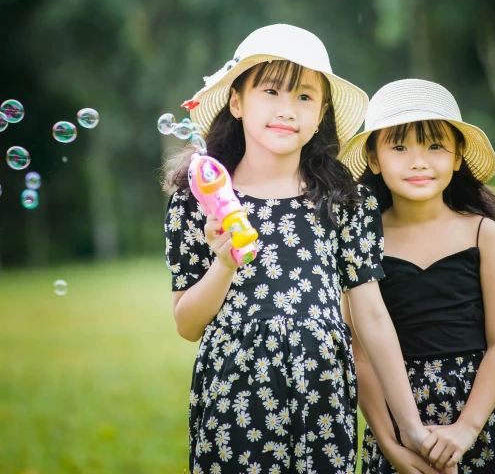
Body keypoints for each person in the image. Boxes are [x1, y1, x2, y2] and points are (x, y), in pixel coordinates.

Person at [163, 26, 444, 474]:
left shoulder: (344, 199)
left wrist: (407, 428)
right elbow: (187, 324)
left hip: (324, 394)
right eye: (271, 90)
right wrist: (222, 263)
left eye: (304, 97)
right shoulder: (198, 200)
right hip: (235, 397)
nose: (286, 110)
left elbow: (370, 315)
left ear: (321, 114)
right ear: (237, 102)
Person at [341, 78, 495, 473]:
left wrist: (466, 428)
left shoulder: (481, 231)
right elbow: (361, 353)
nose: (418, 161)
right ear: (374, 159)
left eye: (435, 146)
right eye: (400, 147)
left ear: (458, 157)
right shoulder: (360, 239)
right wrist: (391, 442)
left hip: (480, 414)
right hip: (399, 412)